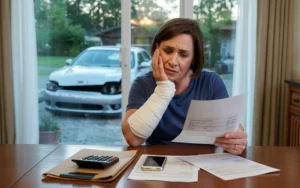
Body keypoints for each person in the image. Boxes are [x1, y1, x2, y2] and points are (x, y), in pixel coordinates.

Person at [122, 18, 247, 155]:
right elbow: (133, 139)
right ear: (156, 50)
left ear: (193, 59)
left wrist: (236, 141)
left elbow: (233, 130)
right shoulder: (143, 84)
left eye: (183, 54)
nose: (173, 62)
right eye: (168, 51)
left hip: (203, 164)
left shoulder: (210, 83)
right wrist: (163, 89)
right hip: (158, 162)